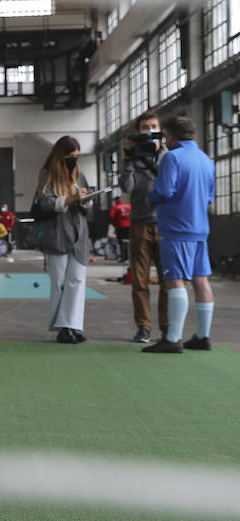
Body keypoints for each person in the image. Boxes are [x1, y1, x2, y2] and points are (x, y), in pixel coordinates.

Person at [143, 116, 216, 354]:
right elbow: (209, 197)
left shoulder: (172, 157)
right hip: (199, 228)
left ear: (170, 136)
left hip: (176, 229)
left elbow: (164, 191)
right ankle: (203, 336)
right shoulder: (206, 160)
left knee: (175, 280)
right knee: (200, 279)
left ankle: (173, 338)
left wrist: (149, 198)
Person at [35, 137, 91, 344]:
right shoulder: (47, 175)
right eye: (70, 157)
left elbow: (85, 204)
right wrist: (70, 199)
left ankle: (73, 326)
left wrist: (85, 199)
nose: (73, 161)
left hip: (79, 235)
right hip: (57, 234)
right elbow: (45, 203)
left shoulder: (80, 175)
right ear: (60, 155)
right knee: (59, 283)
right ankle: (62, 328)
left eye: (76, 157)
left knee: (76, 281)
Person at [120, 112, 169, 343]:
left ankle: (167, 326)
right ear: (137, 132)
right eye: (144, 127)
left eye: (153, 126)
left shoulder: (169, 157)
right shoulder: (134, 159)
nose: (148, 131)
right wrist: (128, 158)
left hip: (165, 225)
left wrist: (160, 153)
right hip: (139, 223)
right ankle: (144, 327)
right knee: (140, 281)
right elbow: (126, 186)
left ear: (160, 130)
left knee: (168, 280)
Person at [107, 194, 131, 261]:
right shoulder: (129, 206)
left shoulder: (115, 207)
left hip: (120, 226)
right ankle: (130, 257)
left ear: (116, 201)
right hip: (130, 226)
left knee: (122, 242)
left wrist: (115, 224)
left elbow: (111, 216)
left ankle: (124, 258)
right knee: (130, 242)